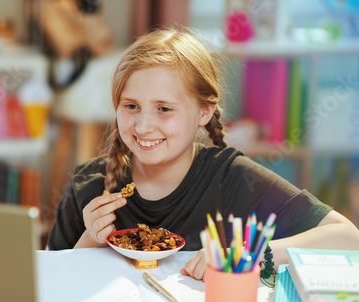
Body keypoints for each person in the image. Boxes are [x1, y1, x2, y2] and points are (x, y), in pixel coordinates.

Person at [47, 27, 359, 280]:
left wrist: (244, 254)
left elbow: (347, 238)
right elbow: (52, 285)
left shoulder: (234, 178)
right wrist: (91, 238)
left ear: (204, 113)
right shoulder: (88, 185)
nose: (143, 126)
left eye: (164, 109)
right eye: (131, 106)